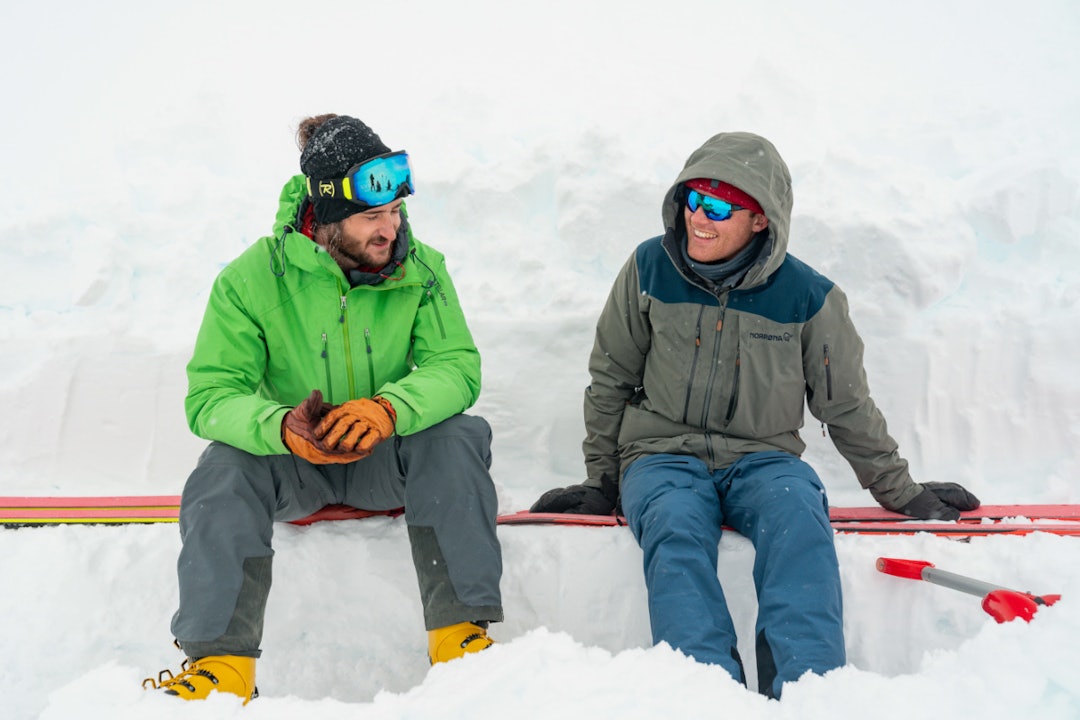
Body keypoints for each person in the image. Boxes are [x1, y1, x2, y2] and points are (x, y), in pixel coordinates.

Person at [530, 132, 980, 699]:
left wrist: (902, 492)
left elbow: (845, 404)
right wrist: (603, 481)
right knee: (673, 527)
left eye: (719, 208)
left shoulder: (809, 297)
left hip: (765, 459)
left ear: (761, 220)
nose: (699, 218)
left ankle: (810, 694)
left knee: (799, 519)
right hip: (661, 454)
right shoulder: (649, 268)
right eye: (693, 199)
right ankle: (706, 694)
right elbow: (610, 380)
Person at [145, 114, 503, 705]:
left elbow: (456, 366)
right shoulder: (251, 280)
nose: (390, 228)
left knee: (457, 435)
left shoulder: (422, 270)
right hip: (295, 467)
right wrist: (279, 427)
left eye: (395, 212)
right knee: (222, 470)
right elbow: (211, 395)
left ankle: (460, 639)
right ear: (329, 216)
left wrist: (388, 410)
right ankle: (222, 671)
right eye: (372, 217)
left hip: (384, 459)